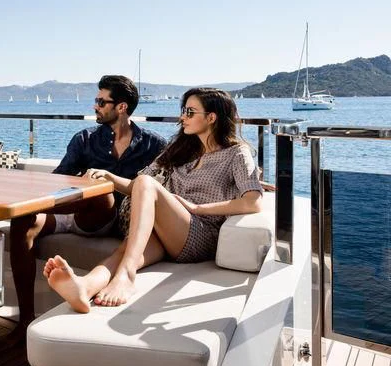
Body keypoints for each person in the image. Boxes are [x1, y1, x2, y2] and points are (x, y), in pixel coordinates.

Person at [43, 87, 263, 312]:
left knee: (146, 184)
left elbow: (253, 201)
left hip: (201, 232)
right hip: (167, 231)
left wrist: (197, 208)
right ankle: (85, 287)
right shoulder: (181, 149)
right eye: (183, 111)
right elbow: (138, 187)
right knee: (126, 250)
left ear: (211, 117)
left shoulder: (236, 153)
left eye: (189, 112)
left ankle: (127, 277)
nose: (182, 117)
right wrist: (109, 177)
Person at [7, 75, 166, 339]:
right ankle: (25, 321)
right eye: (96, 100)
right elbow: (56, 182)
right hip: (79, 215)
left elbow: (169, 181)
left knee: (103, 192)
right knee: (22, 221)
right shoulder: (84, 138)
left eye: (101, 102)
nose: (95, 106)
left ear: (121, 107)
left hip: (116, 219)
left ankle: (24, 206)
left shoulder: (153, 144)